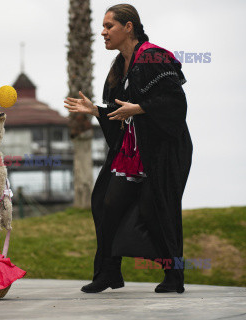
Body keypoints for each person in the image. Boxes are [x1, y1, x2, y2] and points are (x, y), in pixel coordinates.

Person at [64, 4, 192, 294]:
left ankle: (174, 276)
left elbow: (176, 104)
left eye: (109, 26)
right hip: (132, 152)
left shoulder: (153, 57)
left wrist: (142, 107)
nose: (103, 32)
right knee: (106, 202)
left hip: (164, 150)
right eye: (103, 26)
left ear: (129, 27)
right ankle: (109, 272)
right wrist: (96, 110)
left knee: (154, 208)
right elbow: (120, 112)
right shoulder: (119, 66)